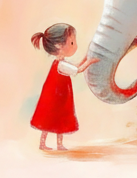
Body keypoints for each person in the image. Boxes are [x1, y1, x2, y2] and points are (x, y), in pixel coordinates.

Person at [29, 23, 96, 151]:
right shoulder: (61, 65)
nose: (75, 46)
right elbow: (78, 69)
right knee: (54, 120)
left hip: (58, 98)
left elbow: (75, 67)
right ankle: (51, 144)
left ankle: (50, 144)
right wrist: (90, 61)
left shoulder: (60, 63)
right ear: (59, 45)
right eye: (71, 43)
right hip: (57, 100)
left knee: (53, 121)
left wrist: (86, 57)